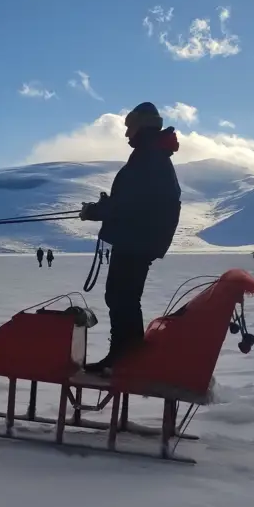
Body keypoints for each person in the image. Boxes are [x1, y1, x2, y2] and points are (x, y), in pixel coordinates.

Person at [78, 102, 181, 375]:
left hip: (136, 239)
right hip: (140, 238)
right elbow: (133, 200)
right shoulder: (153, 155)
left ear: (141, 126)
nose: (126, 134)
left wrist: (94, 212)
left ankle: (125, 358)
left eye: (130, 127)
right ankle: (128, 356)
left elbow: (126, 203)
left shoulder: (148, 157)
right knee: (123, 296)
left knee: (121, 296)